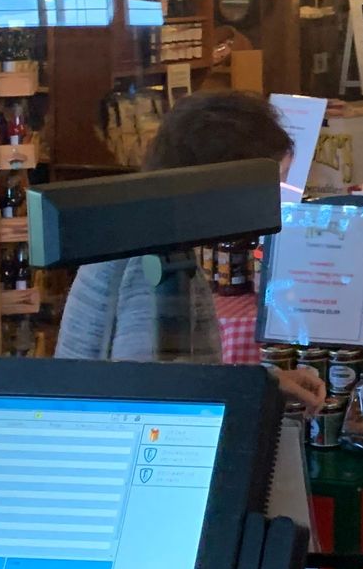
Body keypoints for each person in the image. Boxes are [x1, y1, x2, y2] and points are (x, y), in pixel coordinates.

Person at [57, 91, 324, 411]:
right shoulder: (155, 266)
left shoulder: (144, 235)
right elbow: (152, 400)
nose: (279, 203)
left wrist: (266, 381)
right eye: (275, 184)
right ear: (226, 183)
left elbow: (177, 376)